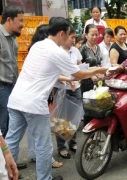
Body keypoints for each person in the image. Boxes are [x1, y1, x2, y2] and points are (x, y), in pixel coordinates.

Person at [5, 17, 107, 180]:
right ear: (61, 34)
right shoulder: (57, 51)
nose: (71, 39)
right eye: (69, 35)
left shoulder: (38, 45)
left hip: (16, 99)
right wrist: (100, 69)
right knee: (43, 146)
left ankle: (6, 174)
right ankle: (45, 178)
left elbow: (52, 73)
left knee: (11, 140)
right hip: (34, 104)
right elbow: (78, 74)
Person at [26, 24, 63, 168]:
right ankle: (46, 161)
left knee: (31, 128)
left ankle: (33, 153)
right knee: (43, 132)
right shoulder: (46, 50)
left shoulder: (34, 49)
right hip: (39, 94)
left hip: (32, 93)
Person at [54, 25, 82, 159]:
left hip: (76, 87)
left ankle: (73, 142)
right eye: (71, 37)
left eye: (75, 37)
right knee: (61, 119)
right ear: (64, 36)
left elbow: (80, 66)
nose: (73, 40)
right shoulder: (57, 51)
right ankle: (61, 146)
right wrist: (67, 78)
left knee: (74, 116)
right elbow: (56, 70)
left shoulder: (75, 51)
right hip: (61, 89)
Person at [0, 5, 23, 138]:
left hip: (11, 87)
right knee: (2, 125)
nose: (23, 25)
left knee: (8, 125)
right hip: (1, 87)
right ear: (9, 20)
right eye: (20, 21)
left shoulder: (13, 40)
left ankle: (5, 157)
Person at [80, 24, 103, 93]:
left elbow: (99, 63)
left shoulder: (98, 47)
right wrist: (91, 75)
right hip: (86, 82)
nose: (95, 37)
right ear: (86, 35)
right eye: (92, 35)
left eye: (96, 35)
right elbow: (79, 66)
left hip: (99, 80)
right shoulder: (83, 49)